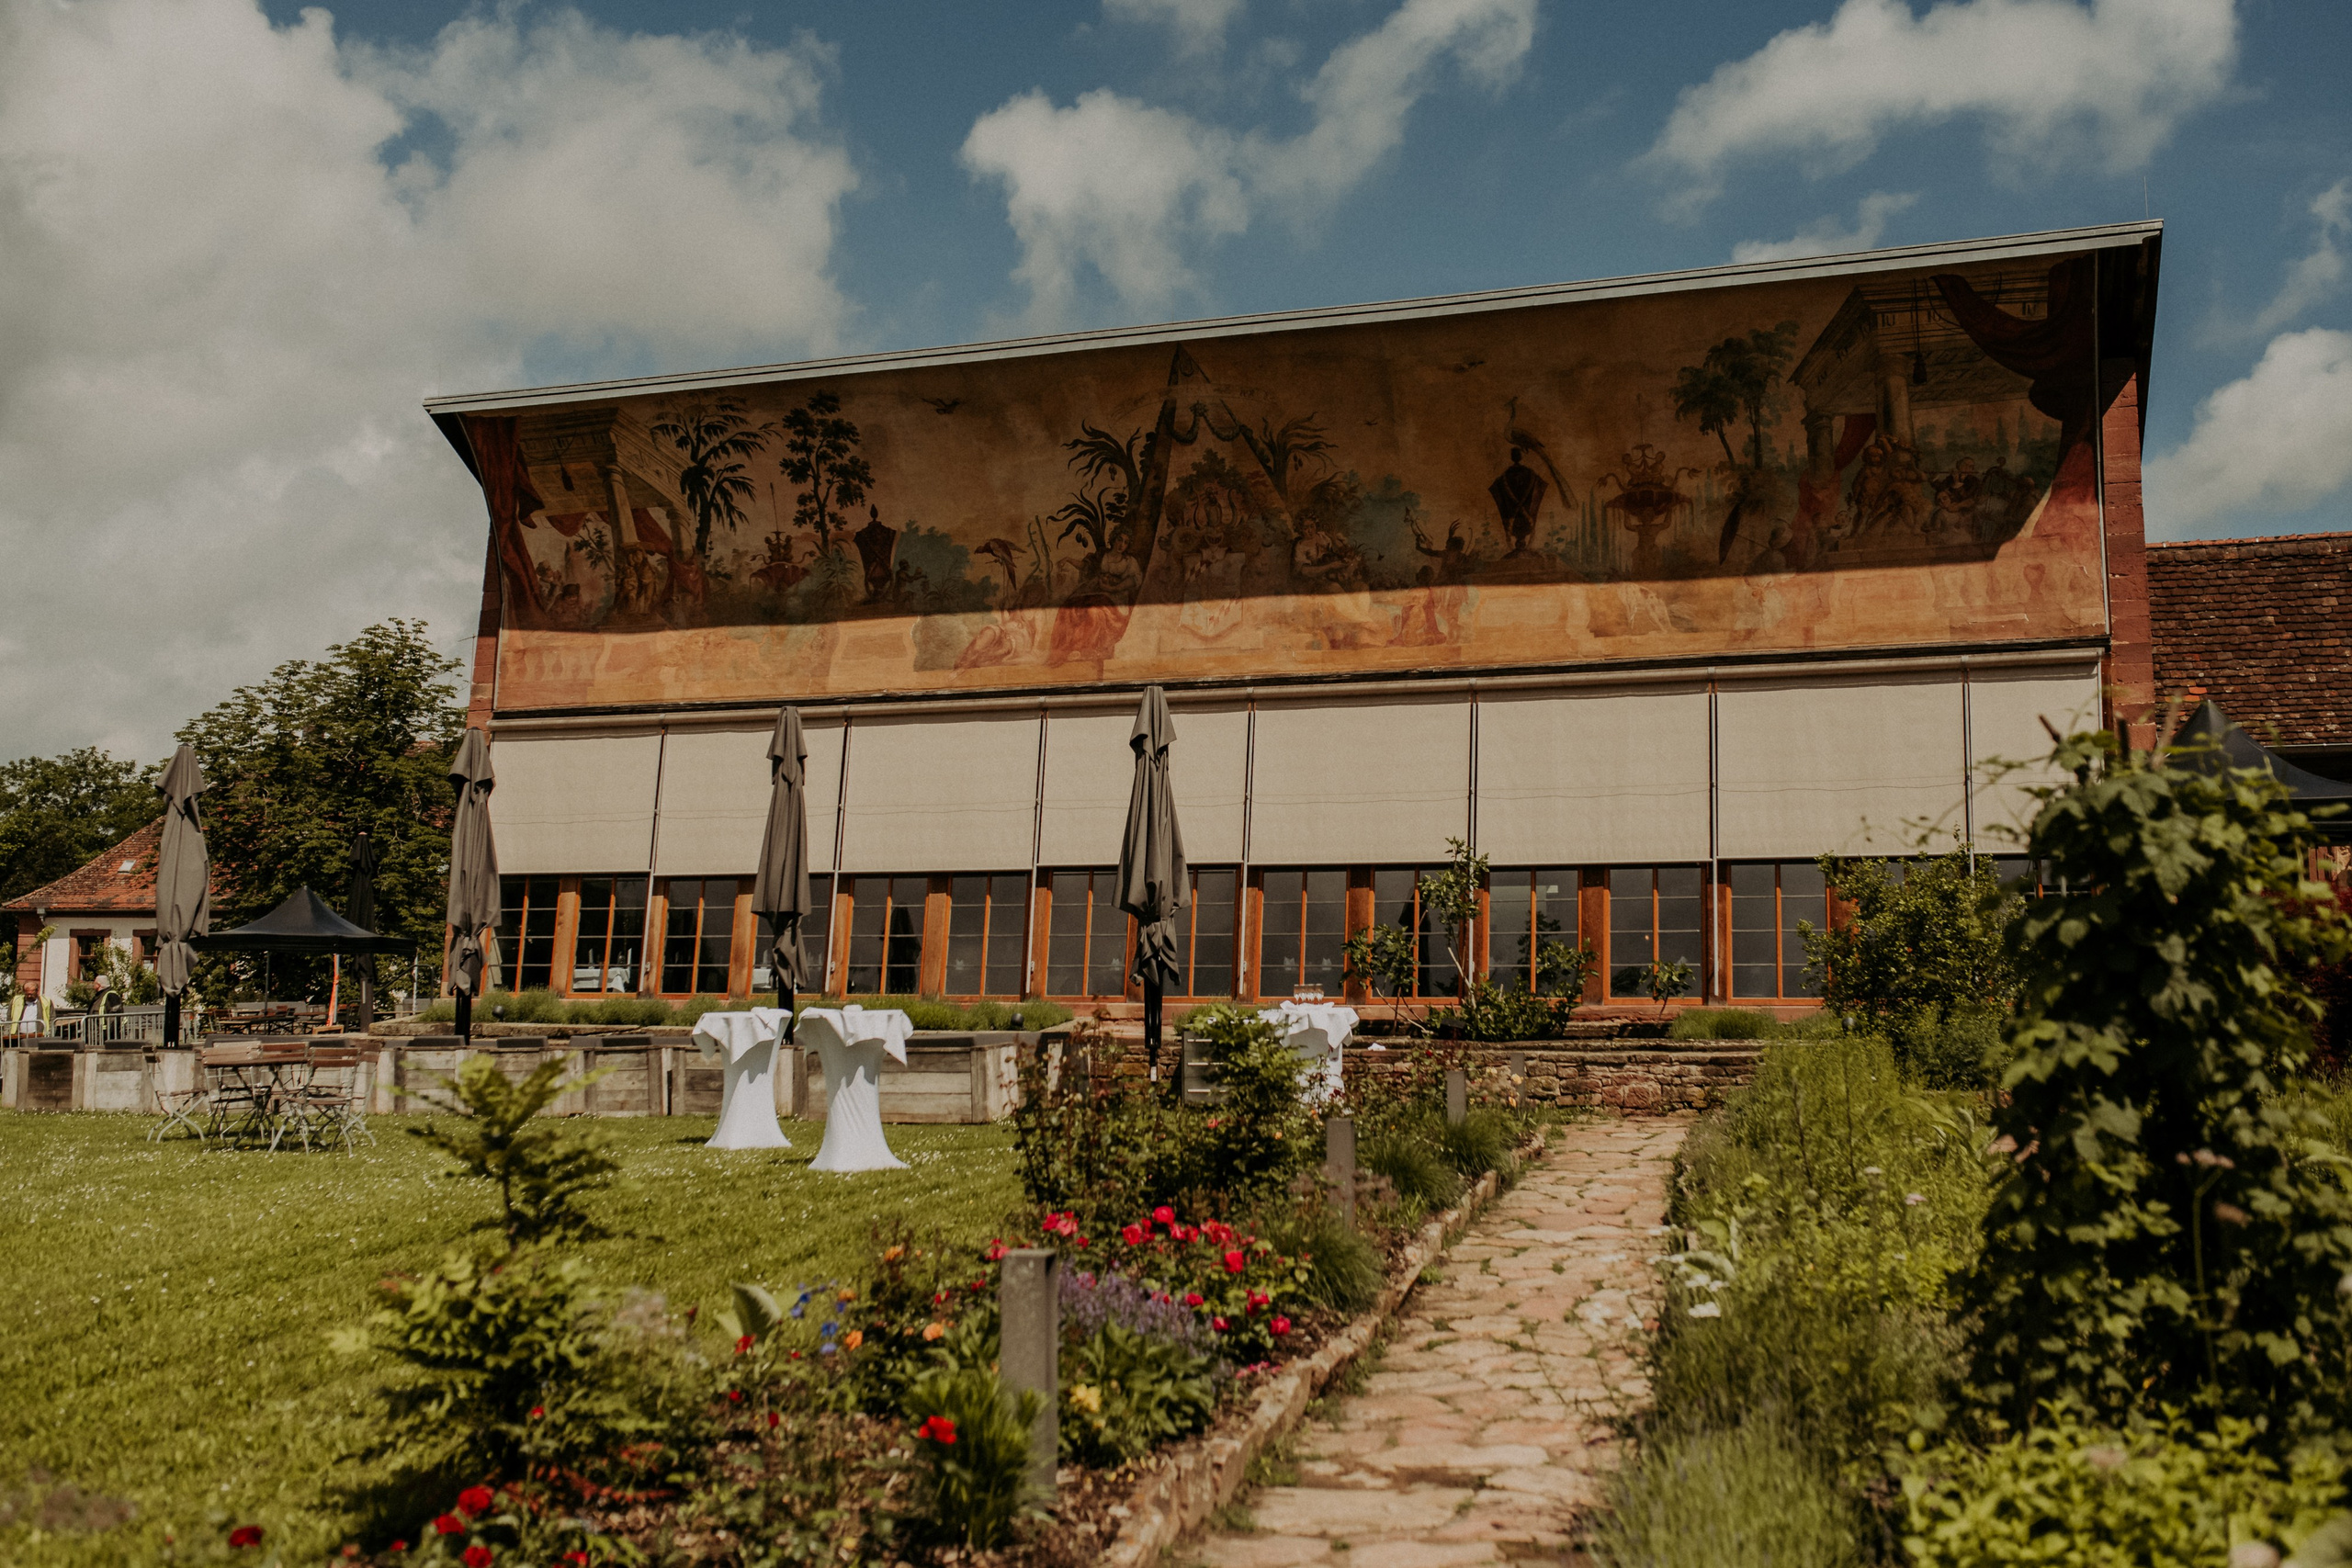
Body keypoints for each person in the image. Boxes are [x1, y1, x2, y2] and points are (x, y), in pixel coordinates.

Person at [1487, 447, 1547, 557]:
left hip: (1512, 517)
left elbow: (1496, 489)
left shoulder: (1504, 478)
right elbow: (1540, 486)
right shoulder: (1531, 475)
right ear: (1520, 457)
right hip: (1527, 518)